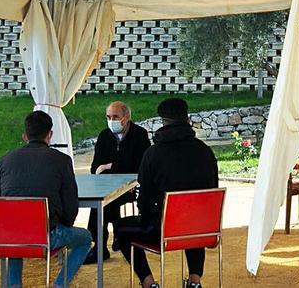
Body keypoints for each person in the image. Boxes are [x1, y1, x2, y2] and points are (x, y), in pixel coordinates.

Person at [117, 98, 218, 288]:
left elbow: (144, 200)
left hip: (164, 230)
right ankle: (195, 282)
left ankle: (149, 284)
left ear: (163, 121)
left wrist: (145, 218)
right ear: (187, 119)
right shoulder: (205, 152)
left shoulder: (153, 154)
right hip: (202, 228)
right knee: (192, 220)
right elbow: (211, 191)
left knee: (121, 229)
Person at [0, 111, 91, 288]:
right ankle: (59, 285)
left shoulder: (5, 160)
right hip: (46, 235)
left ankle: (14, 285)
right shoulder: (62, 160)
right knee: (85, 237)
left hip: (9, 236)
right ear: (50, 135)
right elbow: (71, 205)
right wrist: (65, 223)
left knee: (17, 231)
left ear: (25, 135)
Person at [85, 101, 152, 264]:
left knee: (108, 202)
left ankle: (115, 236)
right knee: (100, 202)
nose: (111, 120)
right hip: (108, 185)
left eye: (115, 117)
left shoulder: (140, 135)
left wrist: (110, 166)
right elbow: (95, 167)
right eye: (108, 117)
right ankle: (100, 245)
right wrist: (111, 168)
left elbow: (140, 166)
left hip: (132, 186)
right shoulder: (104, 136)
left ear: (126, 117)